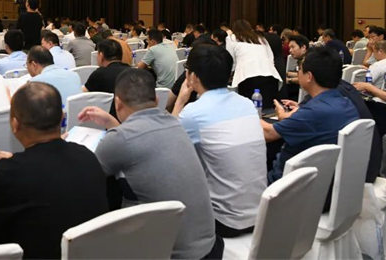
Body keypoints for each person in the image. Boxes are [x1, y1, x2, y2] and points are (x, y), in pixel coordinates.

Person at [78, 69, 220, 259]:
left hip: (171, 254)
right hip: (209, 247)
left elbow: (87, 175)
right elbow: (139, 141)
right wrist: (112, 123)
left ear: (117, 103)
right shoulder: (175, 123)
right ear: (156, 99)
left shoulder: (120, 139)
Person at [0, 82, 108, 258]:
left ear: (15, 124)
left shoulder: (10, 173)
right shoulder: (87, 156)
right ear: (61, 118)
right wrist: (15, 161)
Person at [173, 44, 266, 237]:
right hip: (261, 214)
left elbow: (168, 146)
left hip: (225, 221)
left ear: (193, 77)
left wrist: (180, 101)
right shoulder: (247, 103)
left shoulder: (193, 113)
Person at [263, 47, 360, 184]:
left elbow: (268, 134)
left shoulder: (313, 112)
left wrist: (250, 111)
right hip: (324, 180)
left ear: (309, 76)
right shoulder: (346, 103)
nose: (298, 73)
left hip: (287, 184)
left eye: (300, 70)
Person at [226, 19, 282, 109]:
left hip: (247, 77)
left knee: (248, 111)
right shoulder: (260, 38)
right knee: (269, 110)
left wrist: (230, 74)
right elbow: (271, 58)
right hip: (270, 76)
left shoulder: (231, 38)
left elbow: (230, 60)